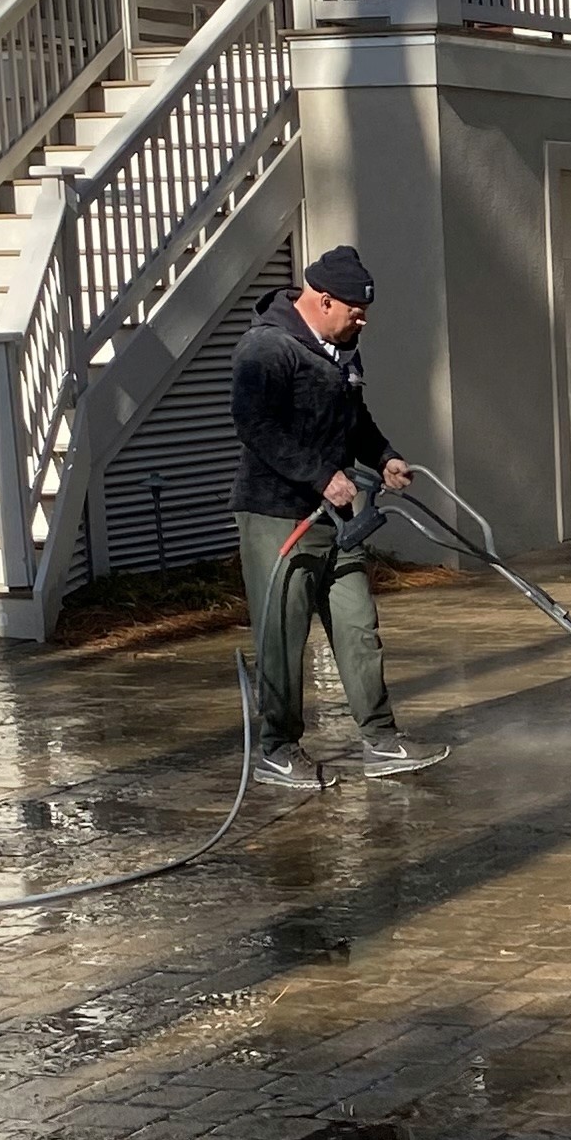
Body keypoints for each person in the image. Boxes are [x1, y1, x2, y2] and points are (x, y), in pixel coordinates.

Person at [229, 246, 447, 784]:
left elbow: (357, 417)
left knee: (358, 627)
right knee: (283, 634)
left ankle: (381, 740)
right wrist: (320, 474)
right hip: (279, 518)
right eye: (355, 310)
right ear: (323, 300)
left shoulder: (341, 348)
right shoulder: (266, 349)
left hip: (337, 519)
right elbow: (255, 426)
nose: (363, 320)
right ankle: (278, 749)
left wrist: (385, 457)